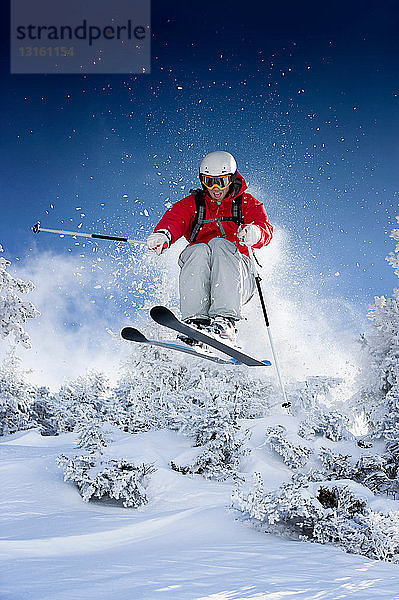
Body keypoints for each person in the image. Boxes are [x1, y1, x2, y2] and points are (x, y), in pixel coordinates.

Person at [146, 151, 273, 344]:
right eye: (208, 181)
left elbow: (265, 229)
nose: (215, 188)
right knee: (197, 250)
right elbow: (175, 218)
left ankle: (225, 323)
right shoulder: (195, 204)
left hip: (239, 278)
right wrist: (164, 234)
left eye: (221, 182)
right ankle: (195, 321)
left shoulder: (246, 203)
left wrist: (255, 232)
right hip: (204, 282)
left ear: (231, 179)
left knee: (220, 244)